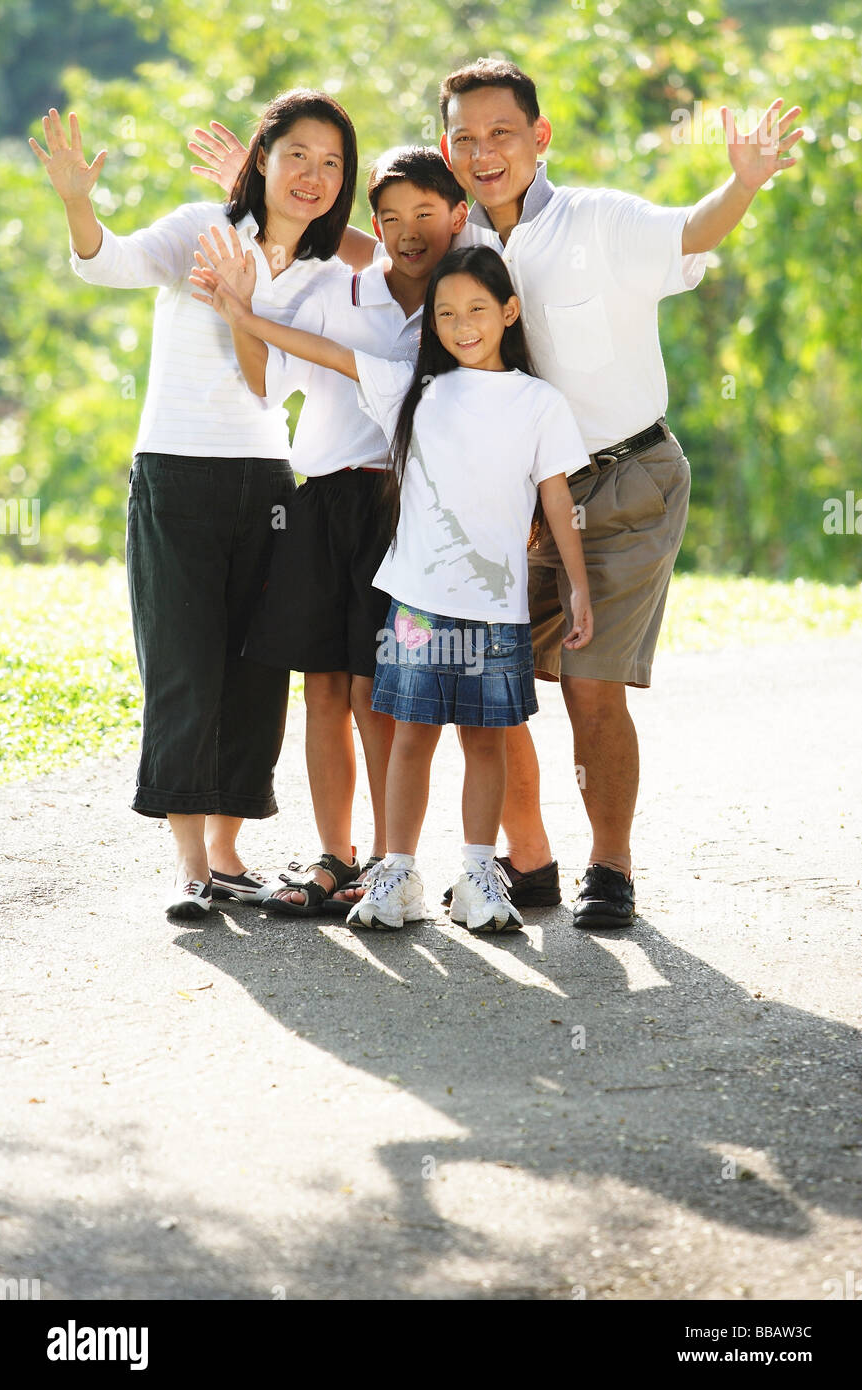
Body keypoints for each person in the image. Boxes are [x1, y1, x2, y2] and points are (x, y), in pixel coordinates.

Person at [436, 58, 804, 929]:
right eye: (465, 138)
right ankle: (528, 864)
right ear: (447, 149)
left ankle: (611, 868)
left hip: (625, 477)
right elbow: (377, 246)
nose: (483, 152)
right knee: (482, 678)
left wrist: (740, 182)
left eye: (501, 134)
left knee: (590, 685)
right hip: (510, 496)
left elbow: (693, 231)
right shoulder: (460, 248)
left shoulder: (600, 221)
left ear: (540, 137)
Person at [30, 91, 375, 919]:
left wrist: (276, 227)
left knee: (257, 670)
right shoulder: (201, 229)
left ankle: (227, 851)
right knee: (183, 661)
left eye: (332, 163)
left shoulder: (328, 273)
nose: (313, 175)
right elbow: (107, 261)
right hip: (176, 471)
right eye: (295, 154)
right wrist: (79, 203)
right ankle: (189, 866)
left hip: (268, 480)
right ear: (262, 154)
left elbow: (401, 252)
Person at [189, 244, 594, 932]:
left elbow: (556, 500)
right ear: (430, 325)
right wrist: (241, 312)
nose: (462, 324)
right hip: (415, 605)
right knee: (410, 737)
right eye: (444, 313)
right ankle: (397, 873)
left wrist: (578, 588)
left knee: (485, 740)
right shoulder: (413, 390)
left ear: (508, 312)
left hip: (494, 607)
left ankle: (476, 876)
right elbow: (323, 351)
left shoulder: (539, 402)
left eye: (475, 309)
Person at [202, 148, 469, 917]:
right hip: (317, 502)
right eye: (390, 218)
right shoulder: (336, 289)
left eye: (425, 214)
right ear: (373, 225)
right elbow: (265, 383)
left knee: (375, 689)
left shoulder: (462, 303)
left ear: (453, 217)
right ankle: (335, 856)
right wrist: (241, 314)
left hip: (399, 509)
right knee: (322, 687)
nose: (407, 232)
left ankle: (391, 864)